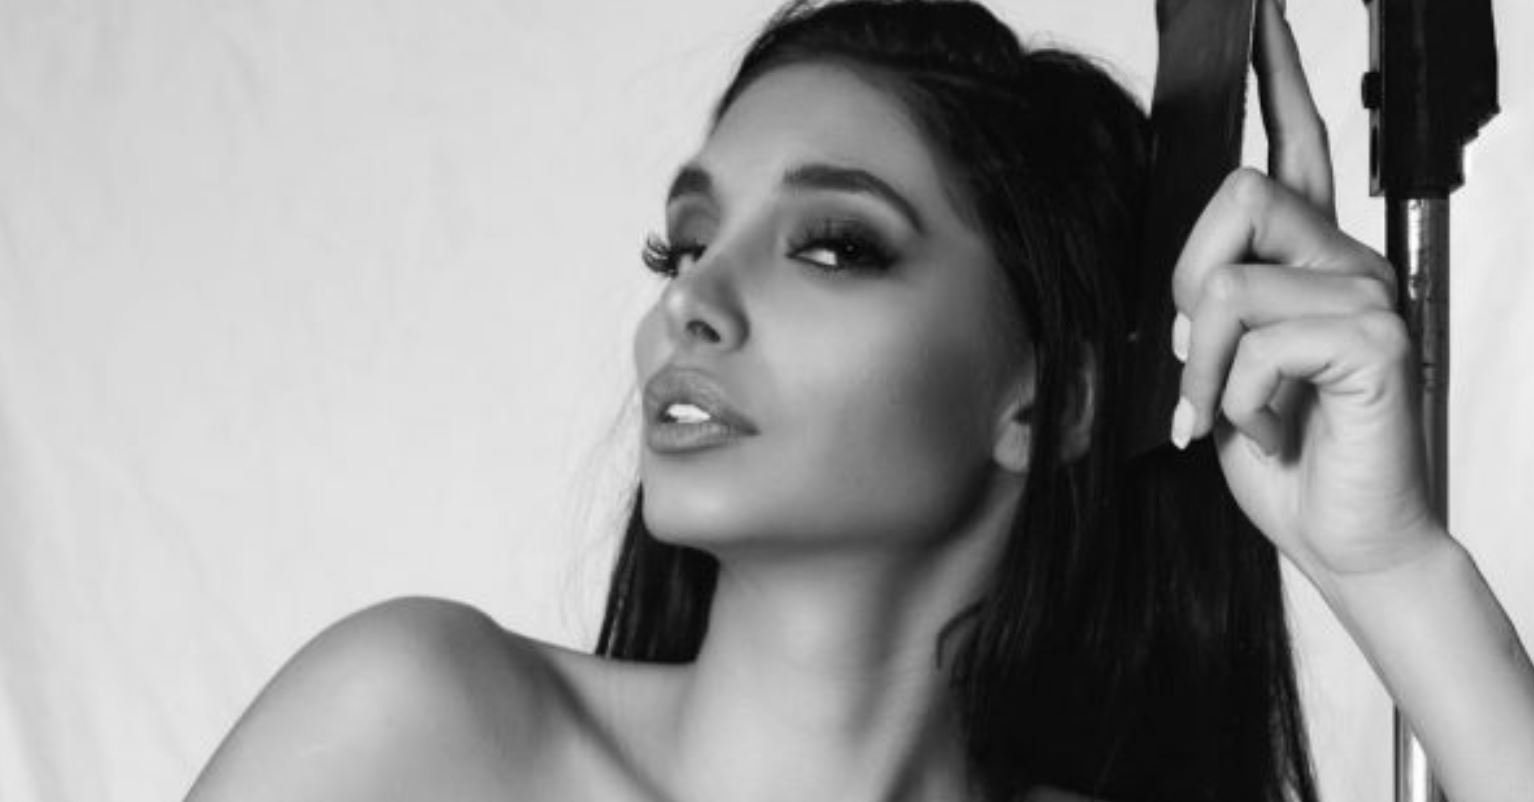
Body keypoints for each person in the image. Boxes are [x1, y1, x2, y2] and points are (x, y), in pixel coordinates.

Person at [183, 1, 1534, 800]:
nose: (692, 302)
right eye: (682, 244)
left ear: (1052, 398)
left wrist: (1392, 569)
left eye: (832, 246)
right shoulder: (423, 729)